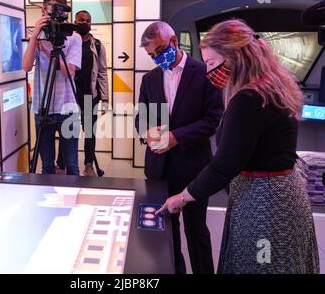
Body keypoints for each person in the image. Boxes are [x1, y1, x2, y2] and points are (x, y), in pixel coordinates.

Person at [156, 19, 320, 274]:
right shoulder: (271, 86)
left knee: (260, 265)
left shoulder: (249, 98)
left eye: (211, 63)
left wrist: (182, 197)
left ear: (234, 57)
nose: (209, 70)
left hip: (264, 205)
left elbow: (223, 166)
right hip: (281, 196)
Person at [135, 22, 224, 274]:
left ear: (174, 41)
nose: (157, 58)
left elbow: (213, 119)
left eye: (161, 50)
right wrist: (146, 132)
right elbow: (141, 117)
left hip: (194, 169)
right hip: (158, 170)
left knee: (196, 231)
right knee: (165, 234)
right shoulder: (150, 79)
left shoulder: (204, 71)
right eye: (152, 55)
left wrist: (177, 137)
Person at [22, 0, 82, 175]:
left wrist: (49, 49)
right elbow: (26, 67)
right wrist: (35, 37)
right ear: (43, 11)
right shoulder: (36, 35)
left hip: (67, 107)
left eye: (59, 12)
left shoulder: (72, 36)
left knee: (71, 164)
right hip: (42, 107)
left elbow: (68, 71)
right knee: (47, 166)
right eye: (51, 11)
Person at [56, 10, 109, 176]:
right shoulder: (67, 42)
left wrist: (105, 97)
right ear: (74, 21)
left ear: (90, 24)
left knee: (89, 132)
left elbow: (102, 72)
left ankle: (88, 165)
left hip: (89, 95)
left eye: (87, 20)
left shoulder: (97, 45)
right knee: (67, 129)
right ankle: (61, 163)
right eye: (81, 20)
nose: (84, 23)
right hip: (69, 94)